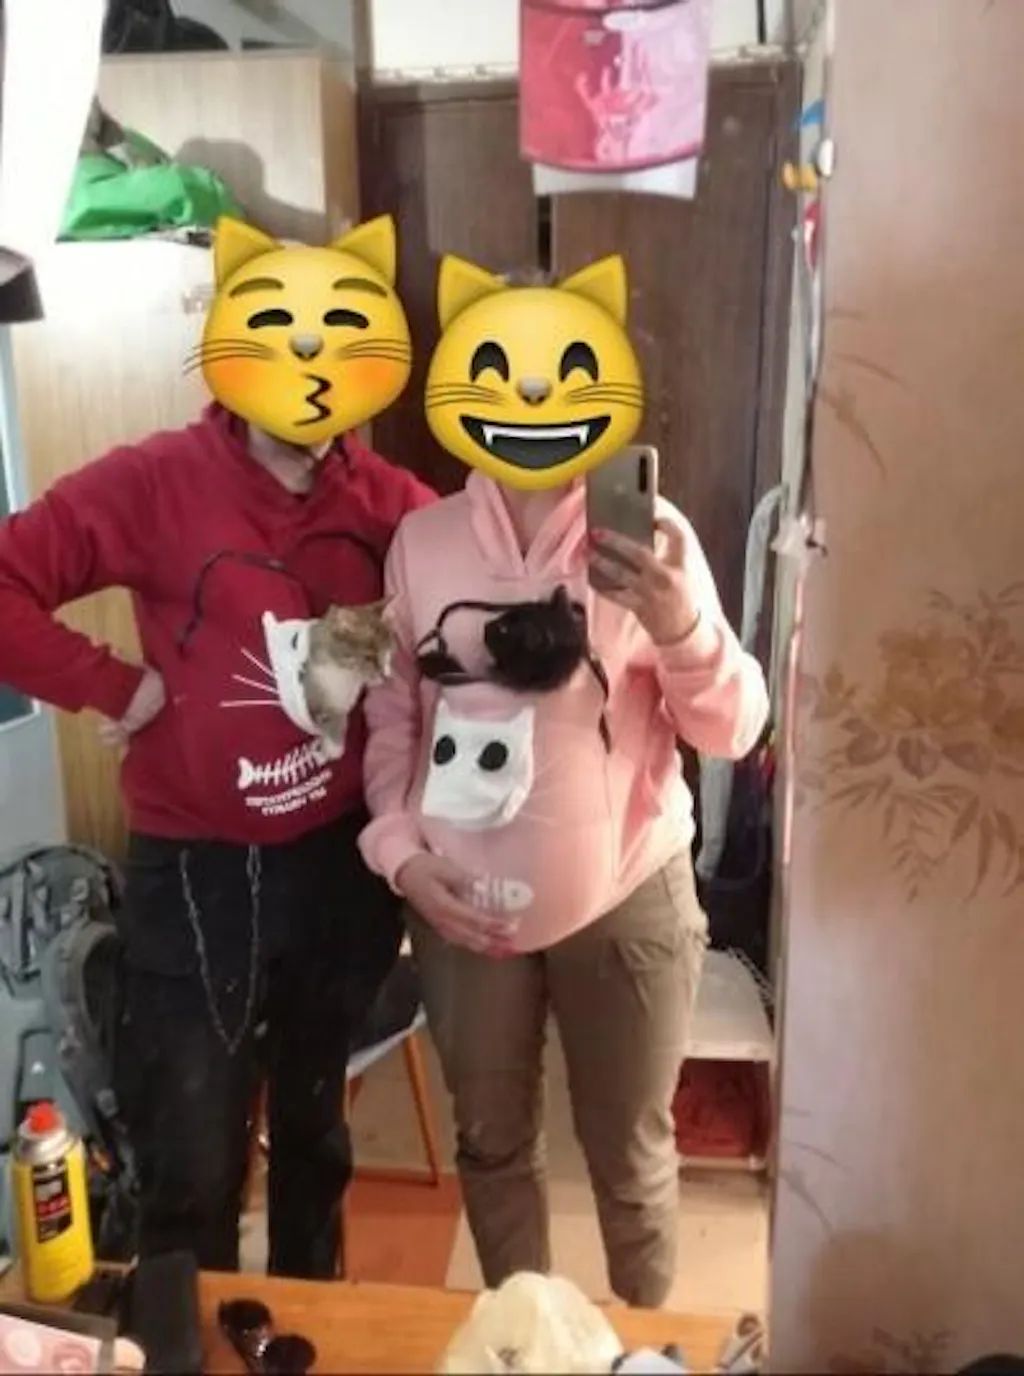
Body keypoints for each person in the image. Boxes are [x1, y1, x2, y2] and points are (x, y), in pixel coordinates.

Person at [0, 214, 434, 1276]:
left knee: (315, 1144)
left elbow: (480, 596)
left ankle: (303, 1330)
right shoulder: (155, 481)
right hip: (195, 870)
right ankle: (180, 1338)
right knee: (190, 1158)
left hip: (335, 863)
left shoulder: (388, 503)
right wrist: (112, 682)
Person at [359, 251, 769, 1308]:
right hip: (462, 900)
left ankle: (644, 1351)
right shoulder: (421, 542)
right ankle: (523, 1343)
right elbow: (394, 713)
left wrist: (680, 627)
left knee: (630, 1153)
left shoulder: (656, 537)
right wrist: (401, 857)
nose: (534, 395)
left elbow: (734, 729)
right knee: (491, 1142)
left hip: (627, 891)